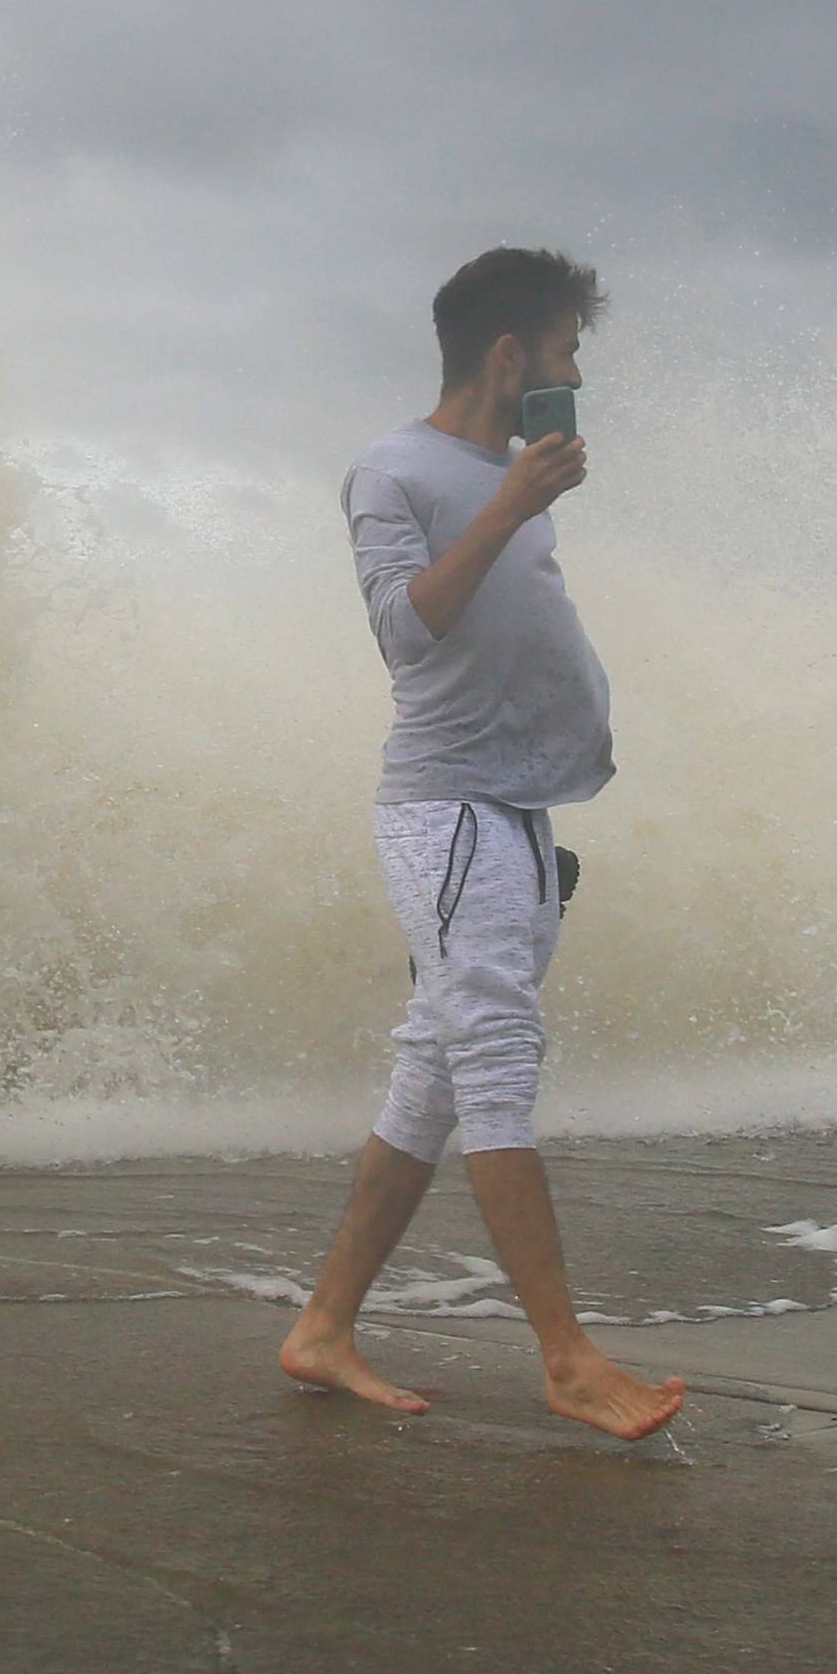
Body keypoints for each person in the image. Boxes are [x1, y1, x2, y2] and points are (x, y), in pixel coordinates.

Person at [277, 246, 691, 1444]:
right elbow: (406, 634)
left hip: (516, 811)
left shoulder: (506, 471)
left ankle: (322, 1330)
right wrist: (514, 504)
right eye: (565, 351)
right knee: (497, 1051)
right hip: (447, 811)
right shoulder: (392, 470)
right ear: (511, 354)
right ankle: (565, 1356)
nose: (574, 375)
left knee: (436, 1074)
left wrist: (519, 496)